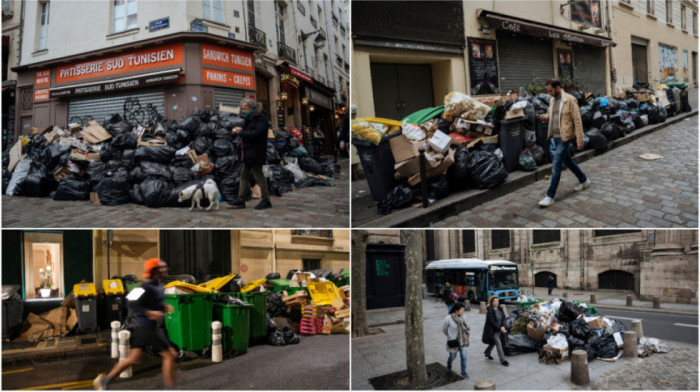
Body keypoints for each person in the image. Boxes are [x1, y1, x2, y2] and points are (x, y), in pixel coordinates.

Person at [93, 259, 177, 390]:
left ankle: (105, 380)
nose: (166, 269)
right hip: (147, 328)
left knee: (133, 359)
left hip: (146, 329)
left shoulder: (159, 286)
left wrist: (162, 307)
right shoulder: (145, 287)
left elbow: (153, 303)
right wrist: (148, 313)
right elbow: (129, 303)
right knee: (170, 355)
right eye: (162, 268)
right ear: (154, 271)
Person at [537, 78, 591, 207]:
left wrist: (580, 140)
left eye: (550, 90)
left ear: (557, 88)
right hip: (554, 136)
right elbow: (551, 114)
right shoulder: (551, 100)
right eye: (548, 90)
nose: (549, 93)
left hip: (564, 137)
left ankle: (550, 196)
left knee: (556, 165)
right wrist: (544, 117)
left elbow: (577, 121)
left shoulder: (570, 100)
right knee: (567, 160)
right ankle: (584, 180)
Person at [228, 98, 272, 210]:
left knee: (259, 176)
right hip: (247, 151)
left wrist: (242, 133)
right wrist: (238, 131)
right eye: (242, 108)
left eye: (245, 108)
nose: (243, 110)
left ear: (251, 107)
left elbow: (257, 134)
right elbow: (247, 132)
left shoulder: (261, 118)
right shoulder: (249, 118)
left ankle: (266, 200)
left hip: (257, 152)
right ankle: (240, 200)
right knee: (243, 175)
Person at [442, 303, 470, 379]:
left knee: (464, 356)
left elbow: (466, 327)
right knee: (452, 357)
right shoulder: (448, 318)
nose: (463, 312)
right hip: (453, 341)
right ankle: (449, 365)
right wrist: (450, 336)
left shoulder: (463, 317)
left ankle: (463, 372)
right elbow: (444, 329)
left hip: (462, 340)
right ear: (456, 310)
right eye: (462, 310)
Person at [481, 295, 509, 367]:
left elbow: (504, 318)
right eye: (495, 301)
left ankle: (487, 353)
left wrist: (503, 326)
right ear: (492, 302)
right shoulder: (490, 311)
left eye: (497, 301)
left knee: (493, 342)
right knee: (498, 343)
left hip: (499, 329)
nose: (496, 303)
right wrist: (500, 328)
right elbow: (492, 322)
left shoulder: (500, 309)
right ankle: (503, 360)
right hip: (492, 330)